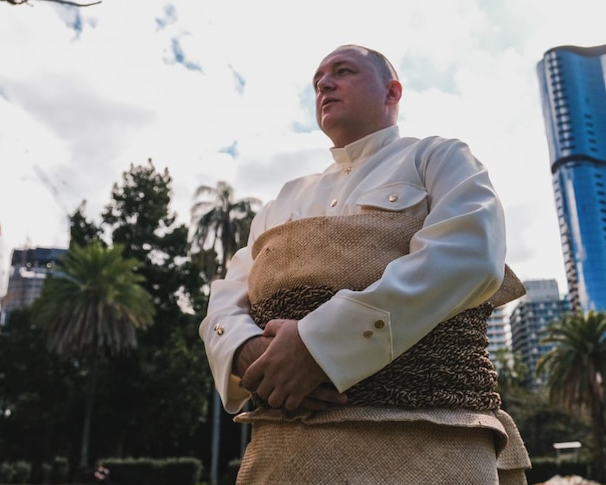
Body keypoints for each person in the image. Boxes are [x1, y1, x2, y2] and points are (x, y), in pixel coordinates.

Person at [200, 44, 531, 484]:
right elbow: (226, 299)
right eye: (318, 80)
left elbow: (469, 257)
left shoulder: (440, 157)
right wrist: (249, 352)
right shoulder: (281, 200)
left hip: (437, 449)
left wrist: (319, 347)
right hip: (284, 456)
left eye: (343, 71)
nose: (324, 84)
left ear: (392, 92)